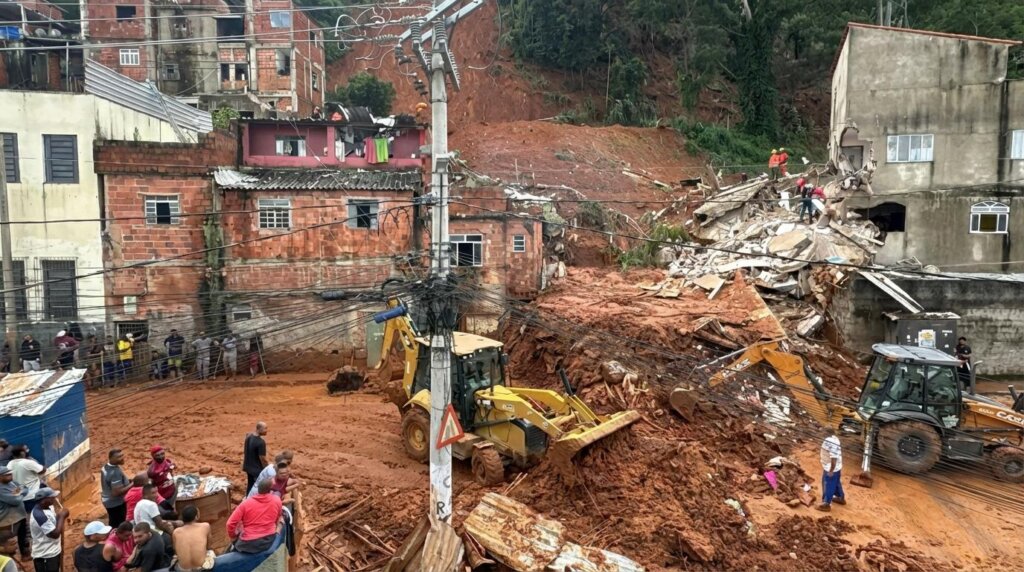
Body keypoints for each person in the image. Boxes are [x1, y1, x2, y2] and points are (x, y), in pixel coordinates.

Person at [226, 480, 281, 554]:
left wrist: (233, 537)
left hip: (247, 544)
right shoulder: (277, 500)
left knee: (230, 550)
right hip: (268, 540)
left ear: (258, 490)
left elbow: (230, 523)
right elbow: (277, 518)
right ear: (270, 491)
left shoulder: (245, 504)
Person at [7, 447, 43, 557]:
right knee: (35, 522)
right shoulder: (27, 462)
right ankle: (38, 549)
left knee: (22, 527)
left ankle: (25, 552)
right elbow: (42, 470)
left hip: (18, 499)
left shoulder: (9, 465)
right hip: (31, 497)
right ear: (22, 453)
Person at [28, 488, 68, 572]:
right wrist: (61, 517)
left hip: (52, 550)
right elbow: (55, 534)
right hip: (45, 555)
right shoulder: (39, 515)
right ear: (43, 500)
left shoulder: (47, 507)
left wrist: (59, 516)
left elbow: (53, 522)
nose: (55, 499)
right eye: (52, 497)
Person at [0, 467, 29, 561]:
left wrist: (18, 492)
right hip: (7, 521)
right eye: (7, 474)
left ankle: (25, 555)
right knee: (8, 542)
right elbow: (15, 501)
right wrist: (19, 493)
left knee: (23, 536)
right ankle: (7, 561)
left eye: (10, 473)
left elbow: (25, 488)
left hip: (20, 516)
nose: (11, 475)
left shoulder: (12, 483)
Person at [172, 506, 211, 572]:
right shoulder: (205, 526)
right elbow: (208, 547)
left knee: (174, 558)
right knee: (211, 552)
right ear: (196, 517)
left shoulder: (176, 532)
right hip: (201, 568)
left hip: (183, 569)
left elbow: (176, 551)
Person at [100, 450, 130, 527]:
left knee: (113, 520)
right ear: (111, 458)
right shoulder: (115, 472)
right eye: (119, 457)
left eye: (122, 455)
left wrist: (127, 481)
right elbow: (116, 492)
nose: (122, 458)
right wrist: (133, 484)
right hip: (116, 503)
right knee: (119, 524)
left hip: (107, 500)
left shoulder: (105, 467)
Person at [816, 433, 846, 512]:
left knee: (827, 484)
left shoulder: (830, 442)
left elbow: (834, 458)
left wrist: (831, 471)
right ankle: (840, 497)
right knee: (835, 482)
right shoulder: (835, 438)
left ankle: (826, 504)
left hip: (831, 468)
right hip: (836, 467)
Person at [242, 423, 268, 494]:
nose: (266, 430)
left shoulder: (249, 436)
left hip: (248, 467)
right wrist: (267, 469)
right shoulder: (261, 442)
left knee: (250, 486)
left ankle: (247, 500)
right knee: (257, 489)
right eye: (265, 428)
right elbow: (262, 458)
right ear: (259, 429)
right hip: (256, 470)